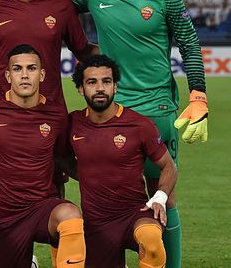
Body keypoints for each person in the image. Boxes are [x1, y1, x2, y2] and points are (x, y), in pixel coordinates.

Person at [61, 0, 208, 268]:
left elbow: (189, 43)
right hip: (110, 110)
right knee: (109, 192)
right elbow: (50, 4)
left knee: (163, 195)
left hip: (157, 108)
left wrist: (198, 93)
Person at [0, 44, 86, 268]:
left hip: (41, 208)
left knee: (71, 215)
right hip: (2, 216)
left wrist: (99, 180)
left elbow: (62, 157)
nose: (24, 75)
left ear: (42, 74)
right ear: (8, 75)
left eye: (31, 68)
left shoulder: (56, 114)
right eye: (18, 69)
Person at [65, 55, 177, 268]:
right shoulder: (72, 123)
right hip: (97, 223)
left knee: (151, 240)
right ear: (81, 88)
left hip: (136, 213)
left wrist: (160, 198)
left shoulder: (140, 125)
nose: (100, 88)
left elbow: (169, 167)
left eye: (106, 81)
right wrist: (86, 174)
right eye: (92, 82)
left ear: (115, 86)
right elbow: (59, 157)